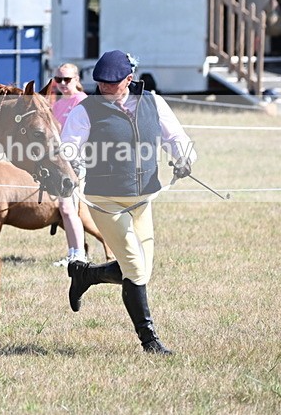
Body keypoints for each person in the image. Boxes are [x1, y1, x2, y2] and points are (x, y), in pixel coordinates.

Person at [61, 50, 196, 355]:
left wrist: (184, 159)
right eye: (100, 83)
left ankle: (86, 275)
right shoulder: (85, 111)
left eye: (111, 83)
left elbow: (176, 137)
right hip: (105, 200)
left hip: (143, 199)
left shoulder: (153, 103)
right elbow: (68, 147)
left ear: (129, 80)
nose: (104, 89)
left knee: (140, 270)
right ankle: (149, 341)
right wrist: (75, 165)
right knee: (134, 268)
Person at [50, 63, 89, 266]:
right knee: (66, 208)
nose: (62, 84)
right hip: (59, 161)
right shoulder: (57, 105)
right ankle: (73, 252)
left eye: (67, 79)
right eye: (58, 80)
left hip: (75, 162)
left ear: (77, 79)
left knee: (67, 207)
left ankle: (78, 255)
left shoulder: (82, 102)